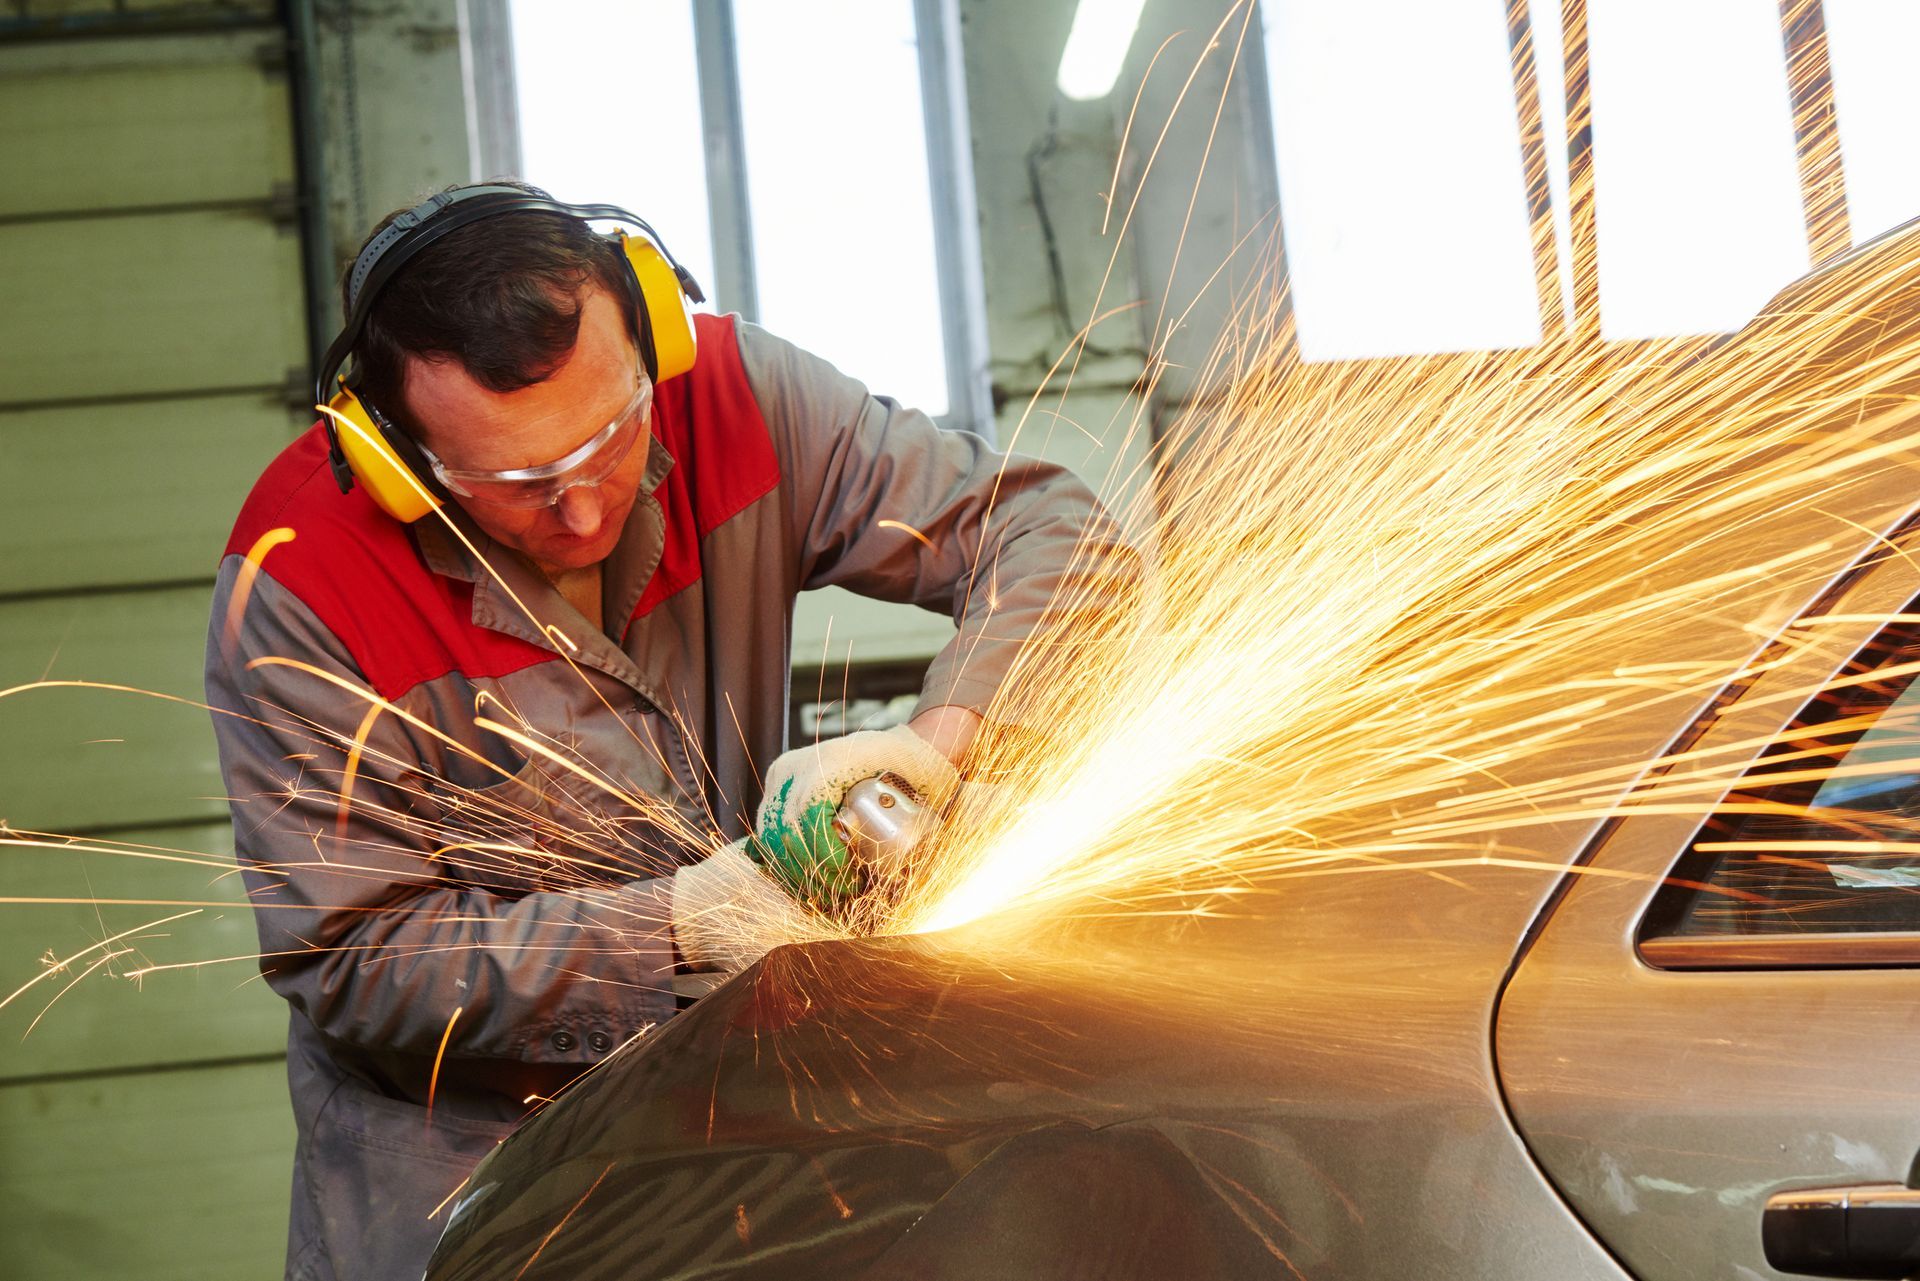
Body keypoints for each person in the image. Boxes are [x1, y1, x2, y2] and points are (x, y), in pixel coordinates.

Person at [204, 182, 1134, 1280]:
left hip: (746, 1123)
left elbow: (1047, 530)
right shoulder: (303, 583)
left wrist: (940, 743)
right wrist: (680, 927)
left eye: (610, 437)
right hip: (464, 1182)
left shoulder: (727, 393)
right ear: (399, 462)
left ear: (652, 343)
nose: (588, 511)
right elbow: (359, 965)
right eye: (519, 484)